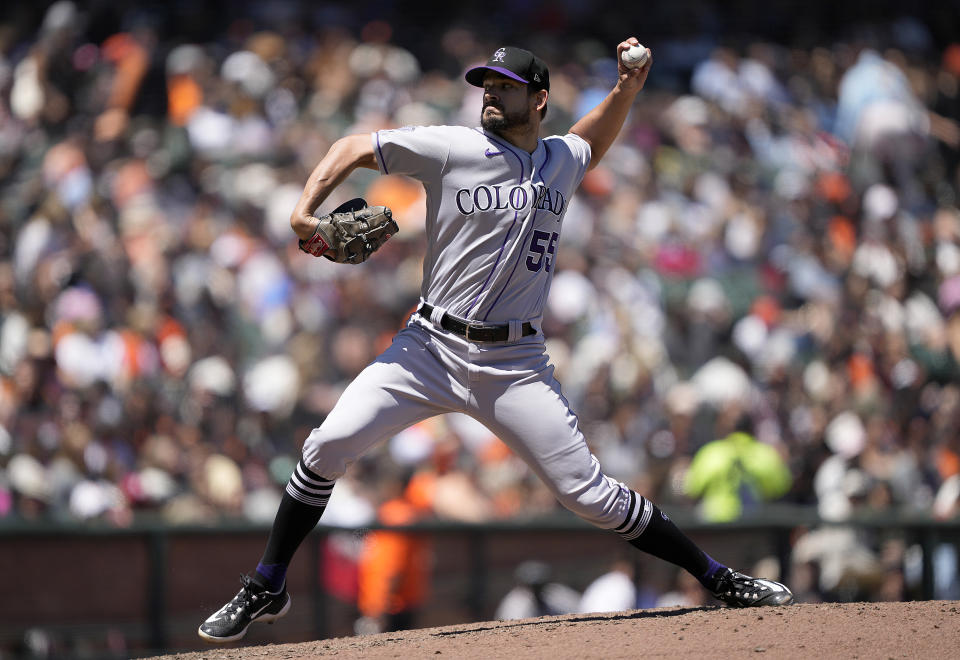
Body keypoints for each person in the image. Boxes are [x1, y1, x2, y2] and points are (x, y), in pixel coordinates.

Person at [198, 38, 793, 644]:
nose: (489, 92)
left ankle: (716, 577)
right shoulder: (454, 147)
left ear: (538, 99)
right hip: (428, 347)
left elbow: (591, 140)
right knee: (326, 446)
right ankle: (267, 583)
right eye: (486, 83)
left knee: (589, 495)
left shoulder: (562, 158)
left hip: (515, 361)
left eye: (504, 85)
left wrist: (626, 89)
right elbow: (352, 147)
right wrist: (304, 212)